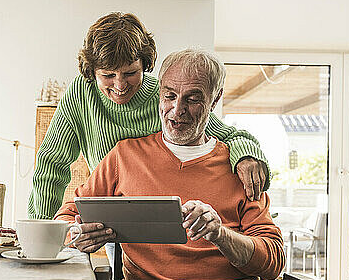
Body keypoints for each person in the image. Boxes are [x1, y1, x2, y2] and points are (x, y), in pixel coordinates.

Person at [54, 49, 309, 280]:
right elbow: (67, 217)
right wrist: (77, 235)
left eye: (193, 99)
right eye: (170, 95)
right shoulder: (125, 157)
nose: (177, 110)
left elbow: (273, 262)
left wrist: (220, 234)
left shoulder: (240, 167)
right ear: (158, 94)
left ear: (214, 101)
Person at [28, 12, 269, 224]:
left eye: (130, 73)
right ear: (92, 72)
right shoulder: (82, 92)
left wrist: (247, 155)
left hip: (166, 212)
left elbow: (230, 136)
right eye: (108, 75)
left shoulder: (166, 97)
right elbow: (52, 164)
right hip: (113, 212)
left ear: (145, 64)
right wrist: (40, 231)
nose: (120, 85)